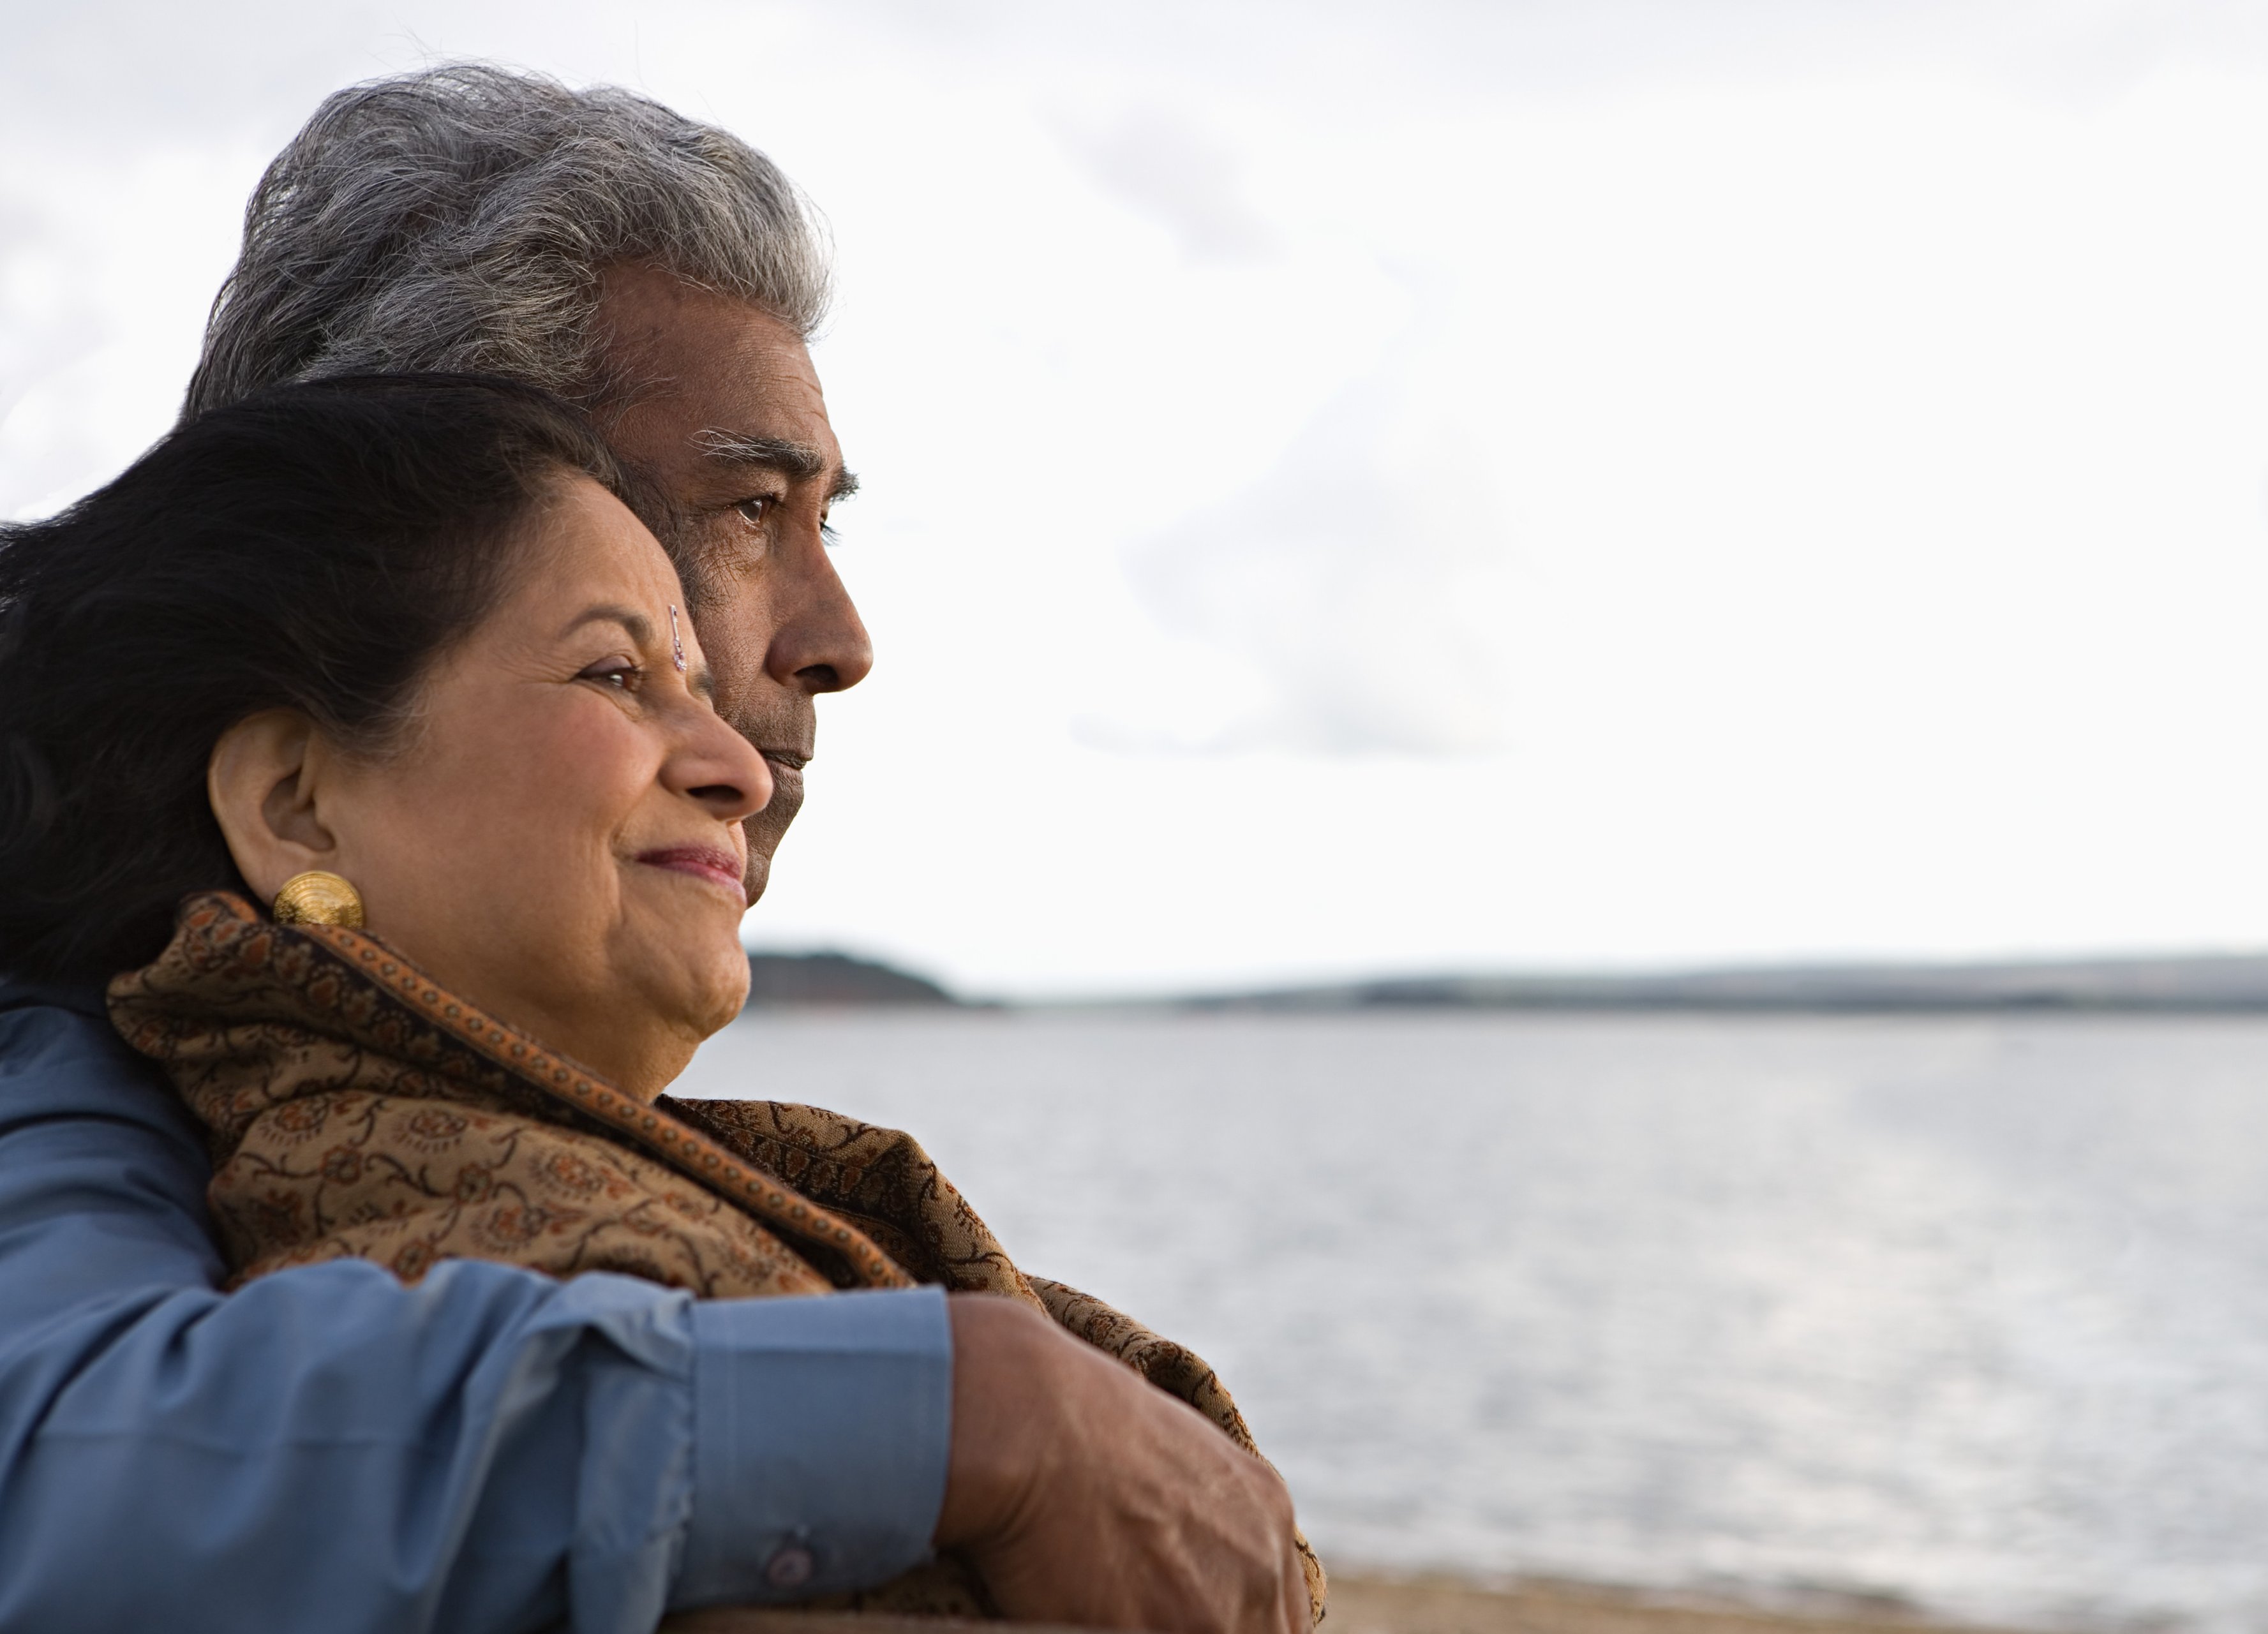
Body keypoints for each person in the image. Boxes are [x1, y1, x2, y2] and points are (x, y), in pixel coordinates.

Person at [0, 70, 1311, 1634]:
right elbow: (70, 1470)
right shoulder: (72, 1049)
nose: (842, 642)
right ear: (399, 487)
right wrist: (975, 1412)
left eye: (830, 520)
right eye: (749, 510)